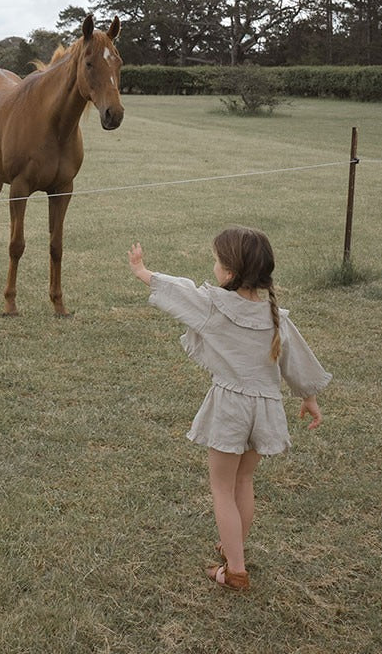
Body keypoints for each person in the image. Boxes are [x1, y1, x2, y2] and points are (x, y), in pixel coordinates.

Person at [128, 226, 331, 592]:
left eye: (217, 261)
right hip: (265, 410)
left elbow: (179, 292)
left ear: (230, 272)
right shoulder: (276, 317)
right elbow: (297, 361)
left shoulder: (214, 306)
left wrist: (143, 271)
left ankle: (235, 571)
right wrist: (309, 398)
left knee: (222, 488)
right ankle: (232, 545)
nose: (214, 266)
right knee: (243, 481)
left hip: (230, 409)